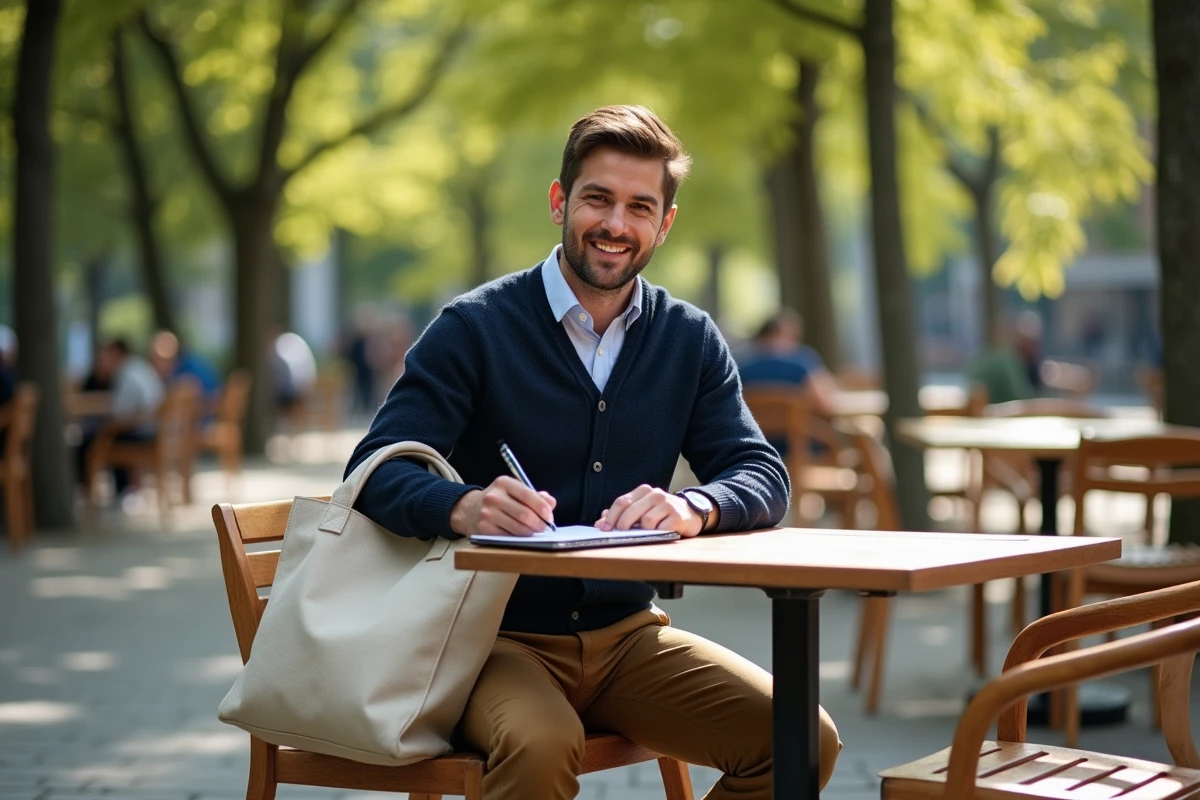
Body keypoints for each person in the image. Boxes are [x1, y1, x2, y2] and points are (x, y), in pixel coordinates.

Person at [345, 105, 841, 800]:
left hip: (629, 638)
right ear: (560, 202)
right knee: (544, 745)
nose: (615, 224)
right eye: (598, 199)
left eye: (640, 207)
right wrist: (464, 505)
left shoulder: (689, 340)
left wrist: (694, 505)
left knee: (800, 740)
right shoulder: (473, 329)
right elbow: (374, 471)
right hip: (495, 639)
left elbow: (761, 473)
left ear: (665, 224)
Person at [78, 339, 165, 495]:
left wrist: (105, 424)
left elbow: (120, 413)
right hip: (152, 430)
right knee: (107, 434)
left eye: (107, 355)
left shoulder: (126, 374)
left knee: (94, 439)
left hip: (142, 432)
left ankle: (97, 490)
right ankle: (122, 489)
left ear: (117, 354)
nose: (103, 359)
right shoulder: (139, 368)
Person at [737, 308, 839, 418]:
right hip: (800, 432)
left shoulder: (741, 368)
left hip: (754, 433)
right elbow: (823, 405)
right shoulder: (801, 365)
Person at [966, 312, 1041, 405]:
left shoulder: (982, 357)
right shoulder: (1007, 360)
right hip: (999, 416)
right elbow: (1020, 399)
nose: (1034, 349)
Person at [149, 330, 222, 404]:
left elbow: (214, 395)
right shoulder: (150, 374)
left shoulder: (197, 370)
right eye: (157, 360)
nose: (162, 365)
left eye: (166, 361)